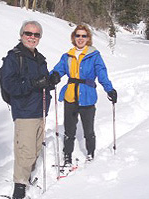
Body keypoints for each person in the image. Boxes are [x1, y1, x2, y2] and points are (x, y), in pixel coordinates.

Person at [0, 20, 60, 199]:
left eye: (36, 35)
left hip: (40, 110)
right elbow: (9, 85)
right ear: (21, 35)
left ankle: (27, 178)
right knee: (25, 151)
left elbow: (43, 83)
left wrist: (51, 80)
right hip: (24, 111)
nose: (32, 37)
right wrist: (33, 84)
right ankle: (19, 190)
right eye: (28, 33)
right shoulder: (13, 58)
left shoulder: (40, 58)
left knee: (35, 149)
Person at [50, 24, 117, 165]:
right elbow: (58, 69)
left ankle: (90, 153)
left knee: (88, 129)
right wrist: (53, 76)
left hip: (87, 97)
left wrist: (109, 89)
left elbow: (102, 73)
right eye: (78, 35)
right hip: (70, 96)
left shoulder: (94, 55)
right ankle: (67, 155)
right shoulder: (67, 55)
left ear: (88, 38)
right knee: (69, 129)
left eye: (83, 36)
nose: (80, 38)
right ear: (73, 37)